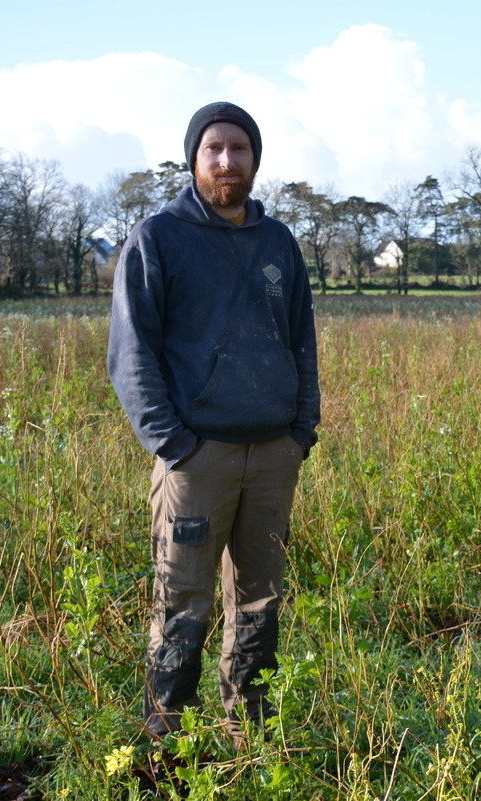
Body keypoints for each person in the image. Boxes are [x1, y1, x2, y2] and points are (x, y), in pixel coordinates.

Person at [108, 101, 321, 743]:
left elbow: (302, 340)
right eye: (214, 149)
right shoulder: (158, 238)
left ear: (256, 159)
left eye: (240, 149)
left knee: (260, 599)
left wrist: (300, 432)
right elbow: (130, 353)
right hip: (198, 461)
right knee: (183, 602)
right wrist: (176, 445)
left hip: (273, 456)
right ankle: (166, 738)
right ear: (193, 158)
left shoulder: (277, 241)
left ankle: (248, 736)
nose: (227, 160)